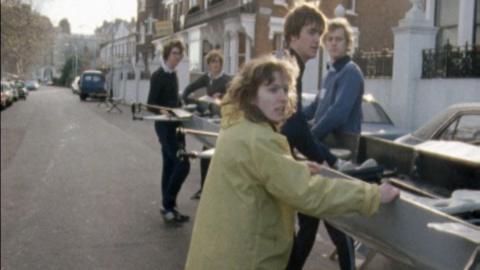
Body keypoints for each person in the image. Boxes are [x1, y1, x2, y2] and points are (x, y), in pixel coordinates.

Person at [184, 55, 399, 270]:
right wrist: (373, 195)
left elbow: (261, 173)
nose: (282, 98)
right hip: (245, 260)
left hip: (219, 255)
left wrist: (296, 169)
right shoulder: (260, 139)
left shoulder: (238, 127)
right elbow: (307, 193)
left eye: (286, 90)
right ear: (250, 96)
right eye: (272, 89)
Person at [279, 4, 356, 270]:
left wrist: (314, 145)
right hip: (301, 157)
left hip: (322, 151)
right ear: (292, 37)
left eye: (320, 34)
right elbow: (294, 124)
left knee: (310, 225)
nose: (319, 40)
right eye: (313, 33)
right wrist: (325, 156)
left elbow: (307, 117)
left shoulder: (345, 72)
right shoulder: (290, 68)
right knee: (333, 222)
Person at [297, 17, 365, 270]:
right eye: (330, 39)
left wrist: (308, 136)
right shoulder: (331, 73)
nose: (334, 44)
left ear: (349, 44)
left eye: (339, 39)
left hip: (340, 154)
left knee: (335, 222)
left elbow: (337, 113)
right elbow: (316, 106)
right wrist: (290, 119)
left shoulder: (350, 73)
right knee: (310, 217)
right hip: (321, 152)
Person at [147, 39, 190, 224]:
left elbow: (173, 99)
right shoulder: (158, 75)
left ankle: (170, 208)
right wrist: (161, 110)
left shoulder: (173, 74)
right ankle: (167, 204)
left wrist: (183, 105)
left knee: (170, 165)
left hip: (177, 124)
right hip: (164, 126)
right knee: (183, 163)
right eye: (174, 53)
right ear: (166, 55)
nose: (177, 58)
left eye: (180, 55)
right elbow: (151, 103)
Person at [181, 49, 232, 200]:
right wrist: (185, 99)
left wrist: (222, 96)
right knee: (206, 155)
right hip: (211, 120)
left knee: (219, 156)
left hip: (224, 122)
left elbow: (234, 95)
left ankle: (218, 191)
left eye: (218, 61)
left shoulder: (226, 80)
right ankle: (204, 189)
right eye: (213, 61)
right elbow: (190, 88)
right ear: (208, 64)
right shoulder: (207, 78)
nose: (216, 64)